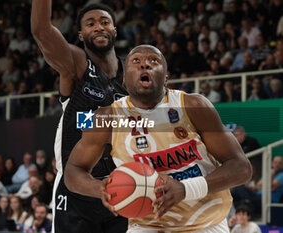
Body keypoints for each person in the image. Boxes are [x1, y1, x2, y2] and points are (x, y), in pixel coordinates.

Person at [64, 45, 252, 232]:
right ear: (124, 79)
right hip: (147, 224)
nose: (145, 64)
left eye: (154, 60)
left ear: (166, 77)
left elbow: (241, 168)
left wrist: (186, 188)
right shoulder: (106, 119)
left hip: (207, 222)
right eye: (135, 61)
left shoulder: (194, 106)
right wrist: (102, 189)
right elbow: (73, 171)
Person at [31, 1, 128, 233]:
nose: (98, 27)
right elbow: (42, 31)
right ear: (81, 35)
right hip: (77, 190)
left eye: (105, 22)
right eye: (91, 23)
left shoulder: (132, 76)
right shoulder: (76, 63)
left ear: (114, 30)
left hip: (123, 187)